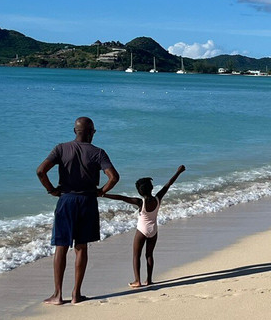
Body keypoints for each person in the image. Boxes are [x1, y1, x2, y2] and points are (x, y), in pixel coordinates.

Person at [36, 116, 119, 305]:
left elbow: (41, 171)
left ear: (75, 131)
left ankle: (57, 295)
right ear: (92, 132)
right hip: (87, 201)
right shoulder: (98, 153)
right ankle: (76, 294)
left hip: (65, 200)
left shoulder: (61, 148)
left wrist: (51, 190)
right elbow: (113, 177)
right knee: (81, 248)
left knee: (61, 247)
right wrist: (100, 192)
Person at [104, 165, 186, 287]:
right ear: (151, 188)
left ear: (139, 191)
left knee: (136, 255)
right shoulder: (158, 198)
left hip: (142, 230)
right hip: (154, 230)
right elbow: (168, 184)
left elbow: (121, 198)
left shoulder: (139, 202)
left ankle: (137, 281)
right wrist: (178, 172)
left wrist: (103, 194)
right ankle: (149, 280)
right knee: (149, 255)